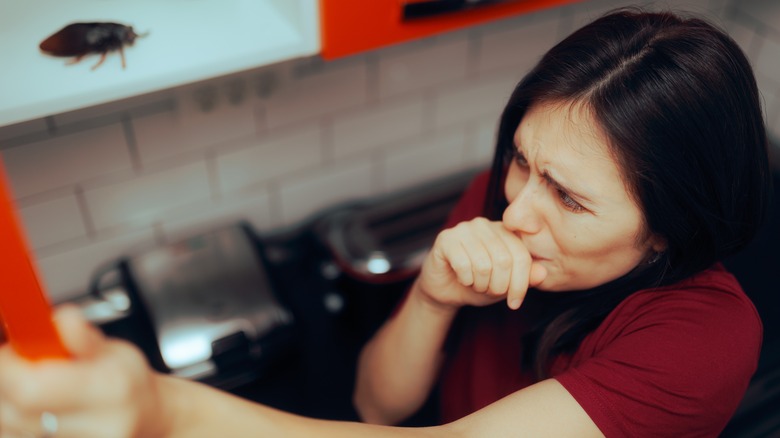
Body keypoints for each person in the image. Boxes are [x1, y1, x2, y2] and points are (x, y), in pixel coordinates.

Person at [0, 7, 771, 438]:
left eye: (569, 199)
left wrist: (162, 411)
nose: (518, 209)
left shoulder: (703, 339)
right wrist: (434, 294)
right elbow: (377, 407)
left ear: (667, 227)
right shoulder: (499, 199)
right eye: (522, 161)